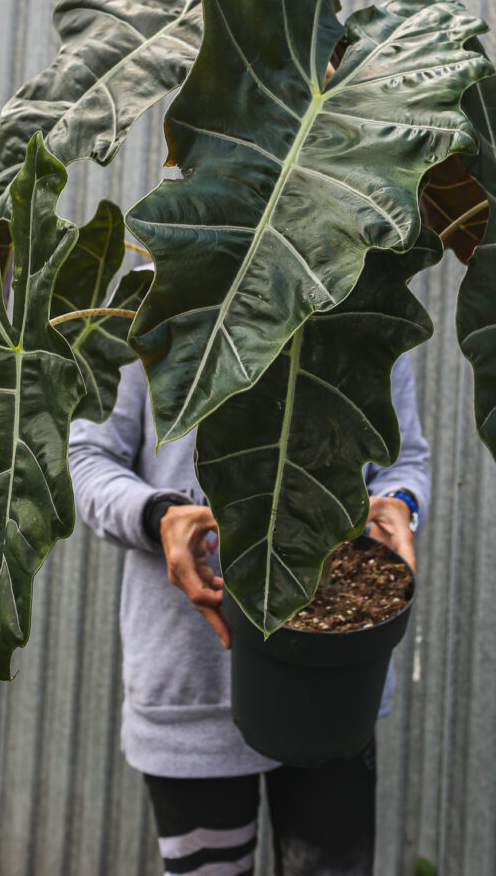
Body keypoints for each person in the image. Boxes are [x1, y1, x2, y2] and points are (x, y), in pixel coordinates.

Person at [69, 349, 431, 876]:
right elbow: (88, 458)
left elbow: (403, 461)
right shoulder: (154, 298)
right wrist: (157, 515)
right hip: (190, 686)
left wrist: (400, 503)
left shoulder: (357, 287)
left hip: (333, 686)